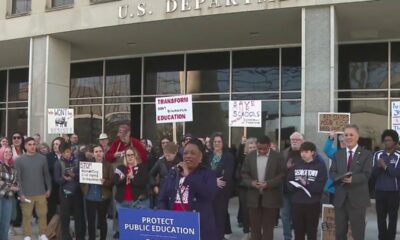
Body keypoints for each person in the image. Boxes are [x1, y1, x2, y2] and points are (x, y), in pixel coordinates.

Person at [157, 138, 218, 240]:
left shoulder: (208, 174)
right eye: (185, 153)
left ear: (200, 157)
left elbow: (209, 195)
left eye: (193, 153)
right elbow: (162, 199)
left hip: (198, 227)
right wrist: (165, 216)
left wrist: (188, 176)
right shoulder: (174, 173)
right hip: (175, 226)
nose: (188, 156)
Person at [329, 124, 372, 240]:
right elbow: (332, 172)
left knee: (358, 233)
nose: (348, 137)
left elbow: (368, 174)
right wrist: (339, 178)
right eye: (346, 135)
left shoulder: (366, 154)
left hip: (358, 200)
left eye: (351, 134)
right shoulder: (337, 154)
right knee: (339, 233)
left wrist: (354, 179)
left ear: (357, 136)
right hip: (340, 200)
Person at [241, 135, 285, 240]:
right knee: (255, 228)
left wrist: (268, 184)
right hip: (254, 197)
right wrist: (251, 183)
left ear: (269, 146)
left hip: (271, 198)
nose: (261, 151)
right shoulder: (250, 156)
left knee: (268, 228)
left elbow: (282, 175)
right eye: (259, 148)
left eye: (264, 149)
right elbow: (244, 173)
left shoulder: (277, 157)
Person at [287, 142, 327, 240]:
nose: (303, 154)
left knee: (311, 232)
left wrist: (306, 184)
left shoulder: (320, 166)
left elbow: (321, 185)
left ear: (312, 152)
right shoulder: (296, 165)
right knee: (298, 231)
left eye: (306, 152)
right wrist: (295, 187)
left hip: (312, 203)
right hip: (297, 203)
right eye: (301, 152)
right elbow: (289, 181)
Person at [15, 137, 51, 240]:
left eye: (34, 144)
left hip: (41, 192)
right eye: (30, 144)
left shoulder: (42, 158)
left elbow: (46, 175)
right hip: (26, 193)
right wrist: (20, 194)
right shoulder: (19, 160)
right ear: (25, 146)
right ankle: (27, 235)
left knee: (43, 214)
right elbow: (18, 179)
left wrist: (49, 188)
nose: (32, 146)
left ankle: (42, 234)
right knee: (26, 215)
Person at [113, 147, 150, 238]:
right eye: (128, 155)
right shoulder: (120, 168)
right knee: (126, 230)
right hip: (122, 202)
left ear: (135, 156)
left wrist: (133, 177)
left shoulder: (142, 167)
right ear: (125, 157)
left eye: (132, 155)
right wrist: (123, 178)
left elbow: (144, 181)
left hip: (137, 202)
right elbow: (115, 181)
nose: (130, 157)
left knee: (137, 229)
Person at [371, 129, 400, 240]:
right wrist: (378, 167)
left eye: (389, 140)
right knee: (380, 218)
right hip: (380, 191)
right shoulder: (378, 154)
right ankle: (382, 238)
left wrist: (385, 166)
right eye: (385, 140)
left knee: (392, 218)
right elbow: (373, 173)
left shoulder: (398, 156)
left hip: (394, 192)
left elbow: (396, 173)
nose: (386, 142)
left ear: (395, 142)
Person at [81, 144, 114, 240]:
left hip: (103, 196)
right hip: (90, 196)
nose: (98, 153)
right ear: (93, 154)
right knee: (91, 221)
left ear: (103, 153)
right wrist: (84, 191)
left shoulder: (108, 165)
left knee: (102, 220)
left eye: (100, 151)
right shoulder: (87, 164)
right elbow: (82, 181)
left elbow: (112, 181)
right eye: (96, 151)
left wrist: (105, 182)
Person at [54, 142, 86, 240]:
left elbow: (83, 175)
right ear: (61, 153)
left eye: (68, 152)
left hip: (77, 192)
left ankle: (80, 237)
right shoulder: (58, 163)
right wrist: (64, 179)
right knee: (65, 216)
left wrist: (74, 176)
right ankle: (66, 237)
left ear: (71, 151)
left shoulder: (77, 161)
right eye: (64, 153)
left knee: (79, 216)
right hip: (65, 193)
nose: (67, 154)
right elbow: (56, 180)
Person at [207, 132, 235, 240]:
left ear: (223, 143)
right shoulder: (208, 156)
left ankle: (219, 237)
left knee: (220, 216)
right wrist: (213, 180)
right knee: (210, 216)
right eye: (215, 141)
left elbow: (227, 174)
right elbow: (204, 172)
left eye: (219, 141)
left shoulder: (228, 156)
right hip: (209, 191)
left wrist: (215, 179)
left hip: (222, 191)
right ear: (212, 143)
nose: (217, 143)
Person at [281, 131, 304, 240]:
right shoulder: (284, 153)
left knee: (299, 217)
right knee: (285, 216)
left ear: (302, 141)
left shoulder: (306, 152)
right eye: (292, 140)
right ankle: (287, 237)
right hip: (286, 191)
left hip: (300, 192)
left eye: (297, 139)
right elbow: (279, 171)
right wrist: (286, 167)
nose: (294, 141)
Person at [237, 137, 257, 239]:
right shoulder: (243, 158)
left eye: (254, 147)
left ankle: (255, 232)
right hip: (244, 187)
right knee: (245, 210)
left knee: (255, 211)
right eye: (250, 147)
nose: (252, 149)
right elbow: (238, 157)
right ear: (247, 149)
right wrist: (241, 145)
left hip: (256, 188)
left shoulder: (260, 158)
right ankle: (246, 231)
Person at [0, 146, 19, 240]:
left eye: (10, 152)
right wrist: (11, 187)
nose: (8, 153)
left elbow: (15, 181)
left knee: (6, 222)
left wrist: (16, 187)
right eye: (5, 152)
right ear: (2, 153)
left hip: (8, 197)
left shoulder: (13, 167)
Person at [46, 137, 65, 224]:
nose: (55, 146)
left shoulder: (66, 155)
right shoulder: (48, 156)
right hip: (52, 187)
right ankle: (49, 231)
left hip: (64, 186)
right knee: (51, 210)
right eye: (54, 144)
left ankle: (63, 230)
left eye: (57, 144)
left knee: (64, 210)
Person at [323, 131, 346, 202]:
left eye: (344, 140)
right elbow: (326, 150)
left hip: (347, 189)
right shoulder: (336, 152)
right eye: (341, 140)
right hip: (333, 189)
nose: (342, 141)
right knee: (330, 211)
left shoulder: (355, 153)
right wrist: (331, 137)